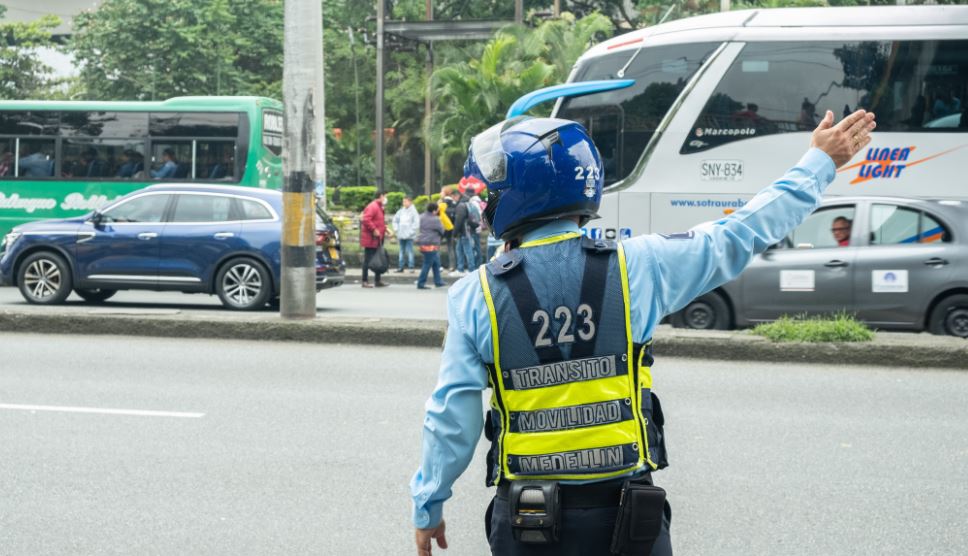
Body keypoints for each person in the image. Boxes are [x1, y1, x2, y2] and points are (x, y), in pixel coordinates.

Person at [412, 109, 876, 556]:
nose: (486, 204)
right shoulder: (641, 264)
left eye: (493, 191)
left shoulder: (476, 296)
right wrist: (819, 161)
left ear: (519, 195)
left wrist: (429, 504)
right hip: (627, 519)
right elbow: (740, 233)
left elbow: (451, 418)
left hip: (528, 521)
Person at [360, 191, 389, 288]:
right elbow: (366, 219)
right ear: (381, 196)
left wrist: (385, 229)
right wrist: (374, 229)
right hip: (371, 238)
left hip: (377, 238)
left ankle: (378, 280)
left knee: (378, 259)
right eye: (385, 196)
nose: (386, 199)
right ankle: (364, 281)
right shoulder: (373, 206)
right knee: (368, 260)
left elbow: (379, 221)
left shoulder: (379, 207)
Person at [416, 202, 446, 289]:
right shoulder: (435, 219)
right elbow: (442, 231)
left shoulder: (421, 216)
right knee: (427, 263)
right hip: (431, 244)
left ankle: (438, 281)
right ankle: (421, 283)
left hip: (422, 243)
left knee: (436, 262)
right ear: (434, 210)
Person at [450, 189, 476, 276]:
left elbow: (458, 221)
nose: (453, 199)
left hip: (464, 232)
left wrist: (454, 233)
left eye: (453, 197)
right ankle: (460, 268)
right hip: (467, 231)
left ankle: (470, 270)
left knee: (467, 251)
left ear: (457, 195)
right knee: (460, 250)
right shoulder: (467, 203)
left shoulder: (460, 206)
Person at [393, 196, 420, 273]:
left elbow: (416, 224)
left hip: (409, 236)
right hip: (401, 234)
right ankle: (400, 267)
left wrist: (410, 232)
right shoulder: (401, 211)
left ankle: (411, 267)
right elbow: (395, 220)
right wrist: (396, 229)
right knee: (401, 251)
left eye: (405, 201)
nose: (404, 203)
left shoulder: (414, 212)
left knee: (409, 251)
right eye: (403, 201)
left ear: (410, 202)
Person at [439, 188, 458, 271]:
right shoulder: (454, 204)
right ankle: (452, 266)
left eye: (441, 192)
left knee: (436, 248)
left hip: (442, 229)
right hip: (451, 229)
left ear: (445, 194)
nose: (440, 193)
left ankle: (438, 266)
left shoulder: (442, 204)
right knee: (451, 248)